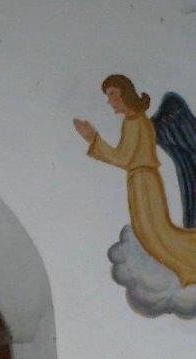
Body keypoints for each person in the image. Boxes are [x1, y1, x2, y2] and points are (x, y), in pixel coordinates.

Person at [73, 74, 196, 286]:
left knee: (158, 234)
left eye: (112, 93)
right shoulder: (134, 121)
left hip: (144, 182)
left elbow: (123, 158)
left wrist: (93, 139)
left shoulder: (135, 121)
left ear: (124, 93)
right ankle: (188, 268)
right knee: (151, 235)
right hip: (140, 181)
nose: (109, 100)